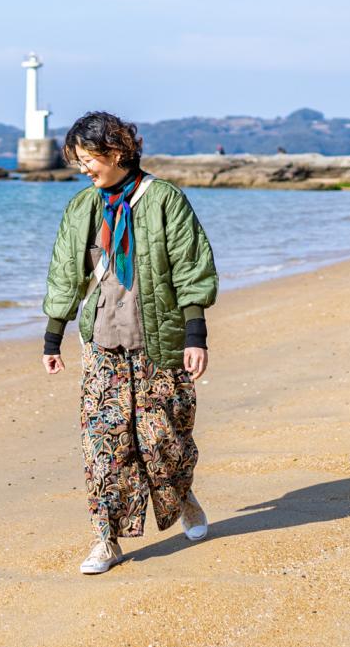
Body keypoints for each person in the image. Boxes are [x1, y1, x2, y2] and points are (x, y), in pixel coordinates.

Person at [41, 111, 219, 574]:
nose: (83, 168)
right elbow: (65, 273)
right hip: (103, 343)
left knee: (166, 442)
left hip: (159, 342)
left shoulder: (164, 201)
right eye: (77, 160)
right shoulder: (83, 207)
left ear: (115, 153)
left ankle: (182, 496)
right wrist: (53, 336)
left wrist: (195, 335)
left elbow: (190, 268)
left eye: (88, 158)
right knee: (104, 446)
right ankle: (107, 539)